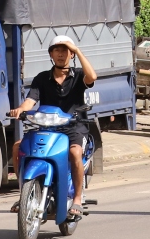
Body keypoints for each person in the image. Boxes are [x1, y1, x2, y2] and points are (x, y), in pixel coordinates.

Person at [8, 36, 97, 217]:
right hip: (47, 127)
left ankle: (78, 199)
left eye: (65, 51)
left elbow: (92, 76)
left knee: (74, 153)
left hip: (74, 126)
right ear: (51, 54)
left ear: (71, 54)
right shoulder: (42, 78)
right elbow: (30, 101)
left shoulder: (79, 76)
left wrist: (78, 50)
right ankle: (24, 195)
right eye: (57, 50)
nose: (61, 54)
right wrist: (19, 110)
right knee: (18, 148)